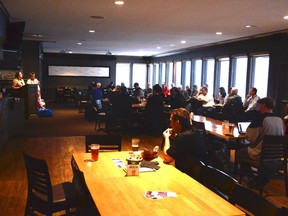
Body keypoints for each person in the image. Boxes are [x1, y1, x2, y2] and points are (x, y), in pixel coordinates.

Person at [236, 97, 285, 163]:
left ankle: (247, 173)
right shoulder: (280, 120)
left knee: (239, 152)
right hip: (277, 156)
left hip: (260, 154)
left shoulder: (260, 119)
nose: (258, 106)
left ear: (263, 105)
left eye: (259, 104)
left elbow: (250, 138)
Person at [162, 108, 208, 174]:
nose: (170, 124)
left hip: (189, 174)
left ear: (177, 123)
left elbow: (167, 158)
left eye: (171, 121)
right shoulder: (195, 131)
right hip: (200, 171)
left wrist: (166, 137)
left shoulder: (182, 137)